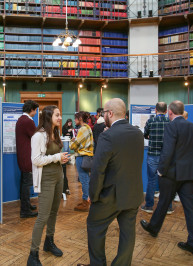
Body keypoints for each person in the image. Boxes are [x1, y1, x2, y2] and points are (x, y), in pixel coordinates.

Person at [79, 98, 144, 266]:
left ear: (110, 113)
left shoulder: (107, 136)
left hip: (110, 195)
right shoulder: (138, 133)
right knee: (128, 234)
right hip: (133, 193)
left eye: (103, 113)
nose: (101, 116)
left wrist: (93, 195)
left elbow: (98, 170)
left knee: (95, 227)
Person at [140, 100, 193, 256]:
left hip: (171, 173)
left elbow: (167, 152)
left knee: (163, 202)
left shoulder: (171, 126)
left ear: (170, 112)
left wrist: (161, 171)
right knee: (190, 208)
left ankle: (154, 228)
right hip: (188, 174)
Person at [27, 105, 69, 266]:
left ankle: (49, 242)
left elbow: (54, 156)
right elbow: (36, 160)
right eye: (57, 115)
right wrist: (57, 157)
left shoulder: (55, 133)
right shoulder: (38, 136)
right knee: (43, 216)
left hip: (59, 175)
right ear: (48, 116)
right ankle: (33, 254)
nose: (60, 117)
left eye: (60, 114)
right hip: (46, 179)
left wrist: (62, 158)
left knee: (53, 212)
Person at [141, 102, 173, 214]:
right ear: (165, 111)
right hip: (166, 156)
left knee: (151, 181)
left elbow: (145, 134)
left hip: (152, 155)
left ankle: (149, 206)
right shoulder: (170, 122)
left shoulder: (150, 121)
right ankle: (168, 207)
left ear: (155, 110)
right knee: (167, 181)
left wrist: (150, 136)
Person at [16, 100, 39, 218]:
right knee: (26, 184)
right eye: (35, 110)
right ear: (31, 110)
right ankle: (25, 211)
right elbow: (36, 136)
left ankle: (26, 205)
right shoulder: (27, 121)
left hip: (23, 156)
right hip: (27, 157)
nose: (35, 112)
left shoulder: (21, 119)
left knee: (24, 182)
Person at [70, 111, 93, 212]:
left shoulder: (83, 129)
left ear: (80, 119)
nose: (75, 120)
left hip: (82, 157)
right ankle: (86, 199)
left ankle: (85, 203)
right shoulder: (87, 128)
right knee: (86, 180)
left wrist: (72, 141)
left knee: (84, 180)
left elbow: (73, 146)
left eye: (76, 118)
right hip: (87, 157)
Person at [62, 119, 73, 195]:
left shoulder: (71, 127)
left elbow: (71, 134)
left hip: (69, 139)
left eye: (70, 123)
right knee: (66, 149)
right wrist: (68, 132)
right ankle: (66, 159)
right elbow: (64, 133)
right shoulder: (64, 127)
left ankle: (68, 159)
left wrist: (69, 132)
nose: (70, 124)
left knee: (68, 150)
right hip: (65, 139)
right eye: (69, 122)